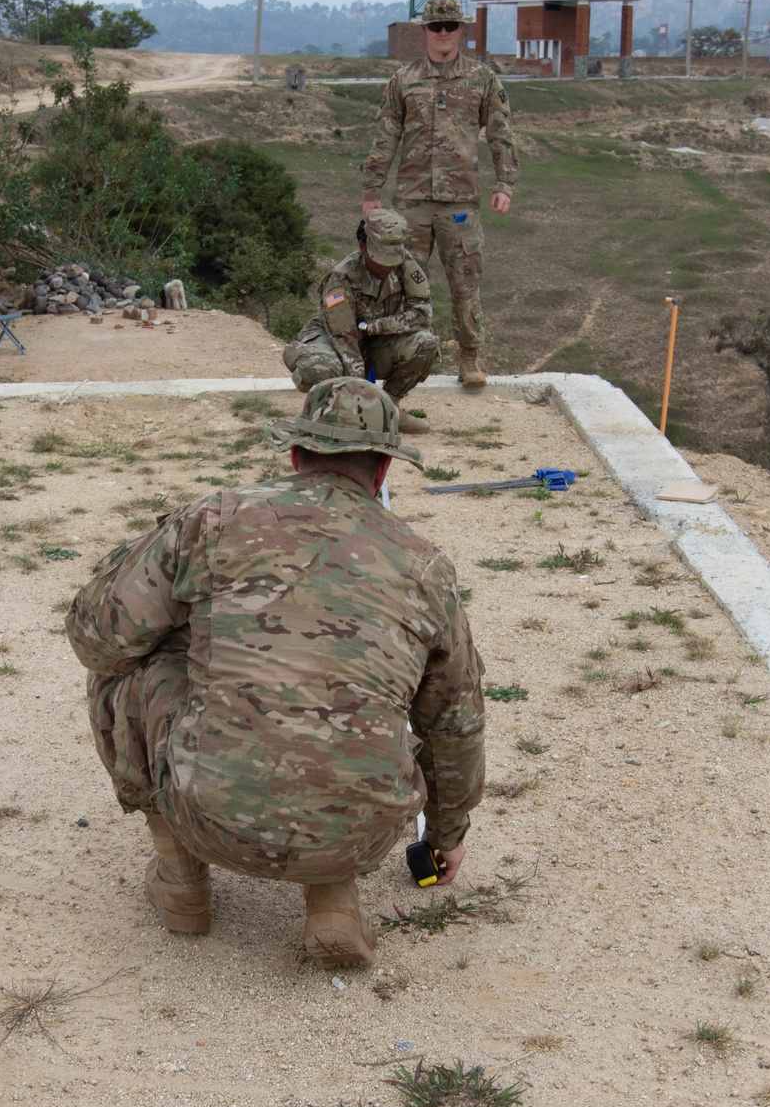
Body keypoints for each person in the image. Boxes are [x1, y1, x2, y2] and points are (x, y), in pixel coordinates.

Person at [64, 378, 485, 972]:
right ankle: (332, 897)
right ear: (384, 471)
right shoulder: (426, 564)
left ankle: (181, 876)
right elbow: (455, 721)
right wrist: (445, 836)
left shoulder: (213, 520)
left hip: (209, 820)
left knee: (127, 669)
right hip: (363, 839)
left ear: (294, 455)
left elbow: (99, 638)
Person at [360, 0, 519, 390]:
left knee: (465, 282)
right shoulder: (404, 80)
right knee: (402, 283)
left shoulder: (483, 80)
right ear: (425, 30)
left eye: (450, 26)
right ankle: (401, 358)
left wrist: (505, 183)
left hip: (460, 205)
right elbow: (386, 137)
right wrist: (371, 190)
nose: (443, 33)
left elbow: (501, 134)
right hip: (411, 203)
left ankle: (469, 358)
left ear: (461, 29)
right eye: (436, 26)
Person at [283, 207, 438, 435]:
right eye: (380, 258)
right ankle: (332, 411)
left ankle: (389, 408)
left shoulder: (405, 265)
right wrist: (363, 401)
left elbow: (422, 315)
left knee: (426, 343)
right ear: (362, 245)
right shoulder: (341, 278)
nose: (387, 266)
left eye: (392, 258)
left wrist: (372, 327)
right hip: (335, 340)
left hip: (374, 339)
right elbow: (345, 340)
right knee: (320, 368)